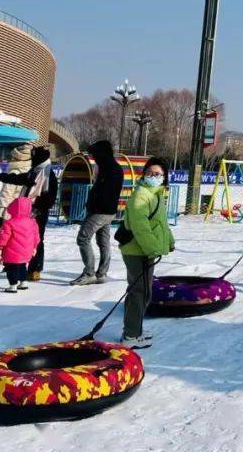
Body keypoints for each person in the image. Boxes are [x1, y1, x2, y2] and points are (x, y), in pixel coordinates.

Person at [118, 158, 174, 348]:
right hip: (136, 250)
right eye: (150, 173)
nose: (153, 177)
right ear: (144, 174)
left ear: (164, 177)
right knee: (138, 292)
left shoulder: (155, 194)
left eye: (157, 174)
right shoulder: (141, 196)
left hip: (146, 250)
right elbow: (141, 228)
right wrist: (153, 248)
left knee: (144, 291)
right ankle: (131, 335)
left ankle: (135, 328)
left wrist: (169, 242)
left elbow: (161, 224)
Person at [0, 146, 57, 281]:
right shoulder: (34, 172)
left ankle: (34, 269)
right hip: (25, 212)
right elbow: (17, 179)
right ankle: (15, 265)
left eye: (33, 157)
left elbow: (50, 198)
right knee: (18, 239)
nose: (32, 159)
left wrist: (37, 210)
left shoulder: (47, 175)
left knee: (36, 241)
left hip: (38, 214)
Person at [71, 140, 123, 285]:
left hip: (100, 211)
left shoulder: (109, 168)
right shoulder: (111, 167)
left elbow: (103, 192)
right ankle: (101, 273)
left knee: (83, 238)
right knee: (103, 241)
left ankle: (89, 273)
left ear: (101, 153)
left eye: (94, 154)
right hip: (108, 211)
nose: (93, 157)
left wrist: (93, 205)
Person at [0, 197, 40, 293]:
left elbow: (4, 237)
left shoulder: (9, 223)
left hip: (12, 252)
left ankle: (13, 285)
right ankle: (23, 283)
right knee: (22, 266)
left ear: (13, 208)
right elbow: (36, 236)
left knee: (11, 269)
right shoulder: (32, 222)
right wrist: (35, 247)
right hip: (26, 251)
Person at [0, 144, 31, 240]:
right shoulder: (32, 172)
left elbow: (6, 195)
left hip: (10, 213)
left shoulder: (14, 173)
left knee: (7, 241)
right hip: (26, 212)